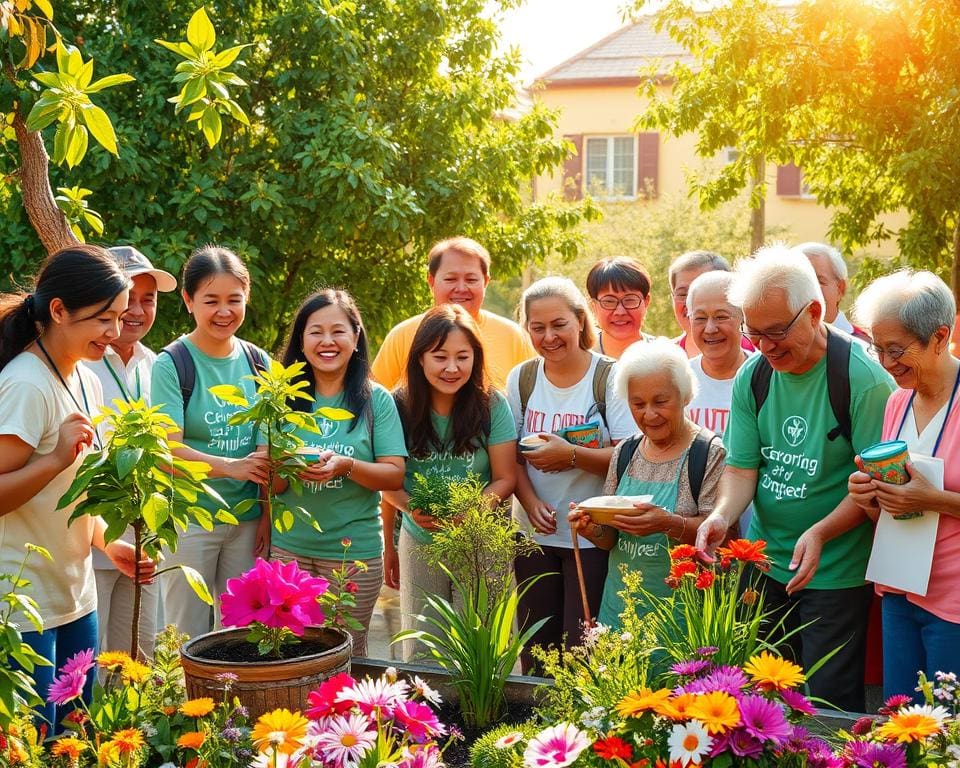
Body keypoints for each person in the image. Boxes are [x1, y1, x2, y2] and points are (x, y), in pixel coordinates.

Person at [695, 245, 893, 713]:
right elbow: (743, 468)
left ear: (816, 311)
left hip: (836, 572)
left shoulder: (863, 379)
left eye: (777, 332)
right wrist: (722, 515)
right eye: (754, 333)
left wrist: (821, 531)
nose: (765, 346)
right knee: (761, 701)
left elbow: (873, 488)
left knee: (827, 704)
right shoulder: (754, 375)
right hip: (763, 564)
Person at [789, 270, 960, 702]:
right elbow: (885, 510)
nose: (886, 362)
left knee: (946, 732)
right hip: (898, 589)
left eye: (898, 349)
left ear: (940, 337)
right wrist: (867, 496)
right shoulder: (898, 400)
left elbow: (921, 498)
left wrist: (932, 499)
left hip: (953, 598)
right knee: (900, 723)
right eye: (878, 348)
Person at [0, 245, 153, 725]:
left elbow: (75, 491)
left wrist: (110, 543)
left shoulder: (85, 377)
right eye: (103, 319)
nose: (115, 331)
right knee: (32, 744)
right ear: (59, 311)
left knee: (75, 738)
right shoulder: (26, 383)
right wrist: (53, 459)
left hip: (74, 598)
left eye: (120, 316)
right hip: (22, 608)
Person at [264, 289, 406, 656]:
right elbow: (271, 485)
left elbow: (394, 476)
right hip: (289, 552)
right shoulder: (280, 401)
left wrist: (348, 466)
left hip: (353, 555)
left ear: (356, 337)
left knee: (347, 654)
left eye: (338, 331)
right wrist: (286, 464)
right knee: (291, 651)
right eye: (315, 332)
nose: (327, 342)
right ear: (300, 340)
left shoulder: (377, 400)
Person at [507, 277, 635, 672]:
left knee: (583, 652)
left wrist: (572, 456)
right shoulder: (523, 378)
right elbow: (510, 454)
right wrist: (529, 504)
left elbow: (630, 456)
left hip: (592, 535)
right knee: (537, 653)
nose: (549, 336)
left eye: (559, 324)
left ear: (581, 321)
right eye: (537, 327)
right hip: (533, 536)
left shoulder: (610, 376)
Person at [382, 304, 517, 661]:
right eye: (440, 356)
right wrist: (399, 527)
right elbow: (388, 481)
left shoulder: (492, 404)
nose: (452, 368)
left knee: (483, 647)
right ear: (420, 358)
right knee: (425, 648)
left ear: (476, 358)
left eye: (463, 356)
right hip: (419, 537)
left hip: (481, 540)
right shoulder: (397, 406)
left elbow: (505, 479)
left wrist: (469, 511)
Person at [151, 245, 271, 639]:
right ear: (188, 301)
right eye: (211, 300)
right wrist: (230, 467)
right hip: (191, 521)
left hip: (246, 520)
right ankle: (182, 703)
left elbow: (268, 445)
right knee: (186, 633)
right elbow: (167, 450)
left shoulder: (259, 363)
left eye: (234, 300)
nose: (224, 311)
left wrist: (266, 514)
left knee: (242, 632)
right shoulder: (172, 364)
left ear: (247, 298)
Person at [569, 339, 725, 628]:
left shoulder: (708, 452)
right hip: (621, 612)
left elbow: (718, 536)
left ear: (685, 395)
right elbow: (610, 540)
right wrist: (592, 529)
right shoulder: (625, 451)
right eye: (637, 404)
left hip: (680, 618)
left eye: (661, 401)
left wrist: (664, 523)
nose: (649, 414)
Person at [84, 246, 176, 658]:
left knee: (140, 655)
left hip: (144, 537)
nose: (137, 310)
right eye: (128, 299)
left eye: (148, 299)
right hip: (89, 537)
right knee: (86, 661)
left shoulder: (155, 364)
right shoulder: (80, 362)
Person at [371, 236, 535, 390]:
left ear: (485, 282)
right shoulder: (402, 335)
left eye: (471, 280)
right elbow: (374, 403)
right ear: (431, 281)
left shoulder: (514, 336)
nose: (461, 289)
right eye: (450, 279)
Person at [684, 271, 751, 438]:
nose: (710, 329)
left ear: (742, 318)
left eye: (721, 317)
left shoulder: (764, 374)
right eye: (700, 318)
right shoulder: (680, 379)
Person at [670, 250, 746, 358]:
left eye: (704, 291)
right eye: (683, 294)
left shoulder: (760, 358)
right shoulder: (665, 360)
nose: (691, 302)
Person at [793, 242, 871, 343]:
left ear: (840, 289)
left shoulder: (865, 348)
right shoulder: (775, 348)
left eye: (819, 282)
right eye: (797, 283)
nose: (807, 292)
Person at [585, 257, 655, 359]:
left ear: (646, 302)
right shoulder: (579, 357)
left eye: (630, 300)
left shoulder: (663, 356)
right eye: (609, 301)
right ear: (593, 305)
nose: (620, 312)